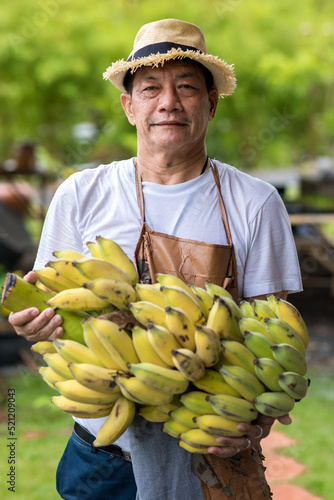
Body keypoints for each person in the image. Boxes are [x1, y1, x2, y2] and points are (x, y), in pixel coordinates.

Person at [9, 18, 302, 500]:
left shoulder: (255, 201)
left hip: (213, 453)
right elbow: (52, 308)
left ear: (211, 104)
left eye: (187, 87)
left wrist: (258, 418)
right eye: (150, 89)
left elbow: (273, 332)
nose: (169, 103)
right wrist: (35, 326)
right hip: (104, 458)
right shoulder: (83, 194)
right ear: (129, 106)